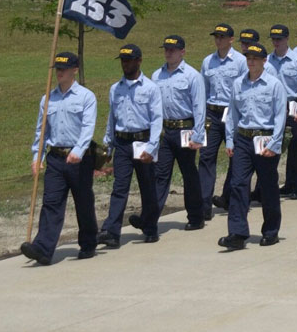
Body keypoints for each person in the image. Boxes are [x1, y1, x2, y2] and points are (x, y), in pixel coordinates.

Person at [21, 52, 99, 265]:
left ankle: (89, 243)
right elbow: (42, 131)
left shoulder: (86, 97)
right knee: (51, 202)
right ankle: (43, 249)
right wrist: (37, 156)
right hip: (55, 158)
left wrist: (78, 151)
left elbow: (87, 128)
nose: (60, 72)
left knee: (83, 202)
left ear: (75, 70)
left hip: (79, 159)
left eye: (64, 68)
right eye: (57, 68)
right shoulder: (47, 98)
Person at [217, 43, 287, 250]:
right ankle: (237, 233)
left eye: (255, 58)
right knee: (238, 184)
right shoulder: (238, 83)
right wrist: (230, 140)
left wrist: (274, 144)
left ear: (264, 61)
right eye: (248, 58)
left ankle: (271, 231)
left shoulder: (274, 85)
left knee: (267, 187)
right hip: (244, 139)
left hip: (266, 140)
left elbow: (280, 117)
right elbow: (233, 114)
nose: (251, 61)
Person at [98, 44, 163, 248]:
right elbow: (112, 118)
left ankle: (150, 227)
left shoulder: (150, 88)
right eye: (123, 60)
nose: (125, 64)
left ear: (139, 61)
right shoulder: (115, 89)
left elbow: (156, 119)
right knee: (119, 187)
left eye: (129, 60)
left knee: (148, 187)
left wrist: (152, 147)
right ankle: (111, 231)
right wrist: (107, 144)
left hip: (143, 142)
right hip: (123, 143)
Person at [147, 35, 205, 231]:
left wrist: (198, 135)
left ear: (182, 52)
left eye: (173, 49)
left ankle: (196, 217)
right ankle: (150, 218)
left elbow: (199, 107)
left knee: (189, 174)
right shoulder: (156, 76)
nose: (168, 52)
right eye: (166, 49)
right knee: (160, 175)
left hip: (186, 129)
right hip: (165, 130)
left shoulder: (192, 76)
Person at [200, 23, 246, 219]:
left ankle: (229, 197)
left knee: (234, 157)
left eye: (222, 36)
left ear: (231, 39)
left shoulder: (241, 61)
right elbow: (203, 90)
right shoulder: (207, 62)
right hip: (212, 112)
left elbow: (245, 90)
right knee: (206, 157)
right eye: (216, 36)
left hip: (232, 114)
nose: (218, 40)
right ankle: (203, 206)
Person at [267, 25, 297, 200]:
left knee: (296, 148)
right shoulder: (268, 60)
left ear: (287, 39)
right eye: (274, 39)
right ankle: (283, 184)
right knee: (274, 146)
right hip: (273, 107)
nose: (276, 42)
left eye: (279, 39)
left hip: (293, 105)